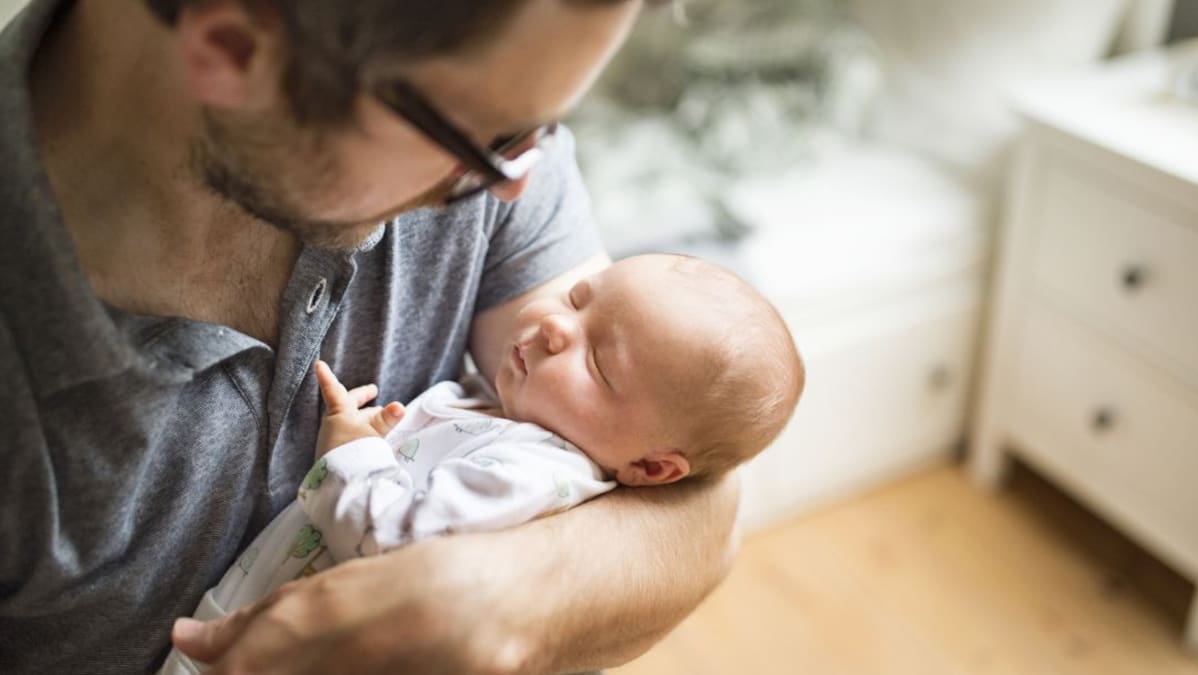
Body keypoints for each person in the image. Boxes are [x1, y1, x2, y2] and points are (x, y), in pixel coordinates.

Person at [0, 0, 756, 673]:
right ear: (234, 48)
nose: (516, 182)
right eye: (490, 138)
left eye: (537, 128)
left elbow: (701, 499)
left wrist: (490, 606)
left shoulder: (459, 105)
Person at [160, 253, 804, 674]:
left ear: (651, 467)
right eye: (579, 300)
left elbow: (397, 543)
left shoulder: (539, 474)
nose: (556, 328)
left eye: (600, 362)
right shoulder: (499, 402)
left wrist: (351, 448)